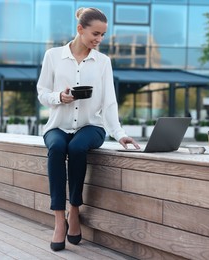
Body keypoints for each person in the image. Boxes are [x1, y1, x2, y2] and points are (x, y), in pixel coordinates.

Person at [36, 7, 140, 251]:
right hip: (58, 126)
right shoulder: (52, 56)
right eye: (96, 33)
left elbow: (110, 102)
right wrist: (59, 97)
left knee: (78, 147)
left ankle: (74, 211)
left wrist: (120, 133)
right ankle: (58, 220)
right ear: (80, 29)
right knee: (58, 147)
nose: (99, 40)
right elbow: (42, 93)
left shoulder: (103, 62)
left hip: (91, 126)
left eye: (103, 35)